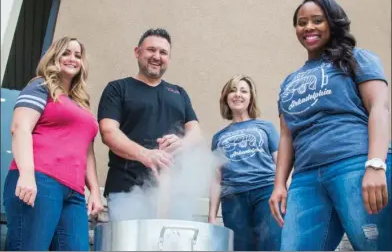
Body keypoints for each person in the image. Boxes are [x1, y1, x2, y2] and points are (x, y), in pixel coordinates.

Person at [269, 0, 391, 251]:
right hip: (305, 179)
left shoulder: (357, 58)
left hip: (354, 164)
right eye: (302, 23)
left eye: (317, 20)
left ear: (332, 23)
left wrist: (376, 164)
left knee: (375, 246)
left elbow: (379, 108)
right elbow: (287, 135)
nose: (308, 28)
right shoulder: (289, 82)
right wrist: (279, 184)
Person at [2, 36, 104, 251]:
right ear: (54, 57)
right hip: (40, 180)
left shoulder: (81, 103)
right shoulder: (40, 86)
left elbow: (87, 151)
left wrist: (94, 190)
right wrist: (27, 175)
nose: (72, 59)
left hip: (74, 192)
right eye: (66, 53)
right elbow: (20, 128)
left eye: (78, 55)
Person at [97, 28, 200, 221]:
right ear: (137, 52)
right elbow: (108, 132)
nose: (157, 56)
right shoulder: (118, 88)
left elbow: (195, 132)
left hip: (172, 194)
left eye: (163, 52)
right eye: (151, 50)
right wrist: (146, 155)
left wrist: (182, 143)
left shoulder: (179, 93)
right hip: (126, 190)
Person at [208, 75, 282, 251]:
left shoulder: (266, 127)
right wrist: (211, 216)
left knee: (271, 245)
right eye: (233, 90)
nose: (238, 94)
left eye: (243, 91)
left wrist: (287, 194)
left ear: (251, 98)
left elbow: (280, 163)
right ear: (226, 97)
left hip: (266, 191)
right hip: (233, 198)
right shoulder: (218, 137)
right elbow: (216, 178)